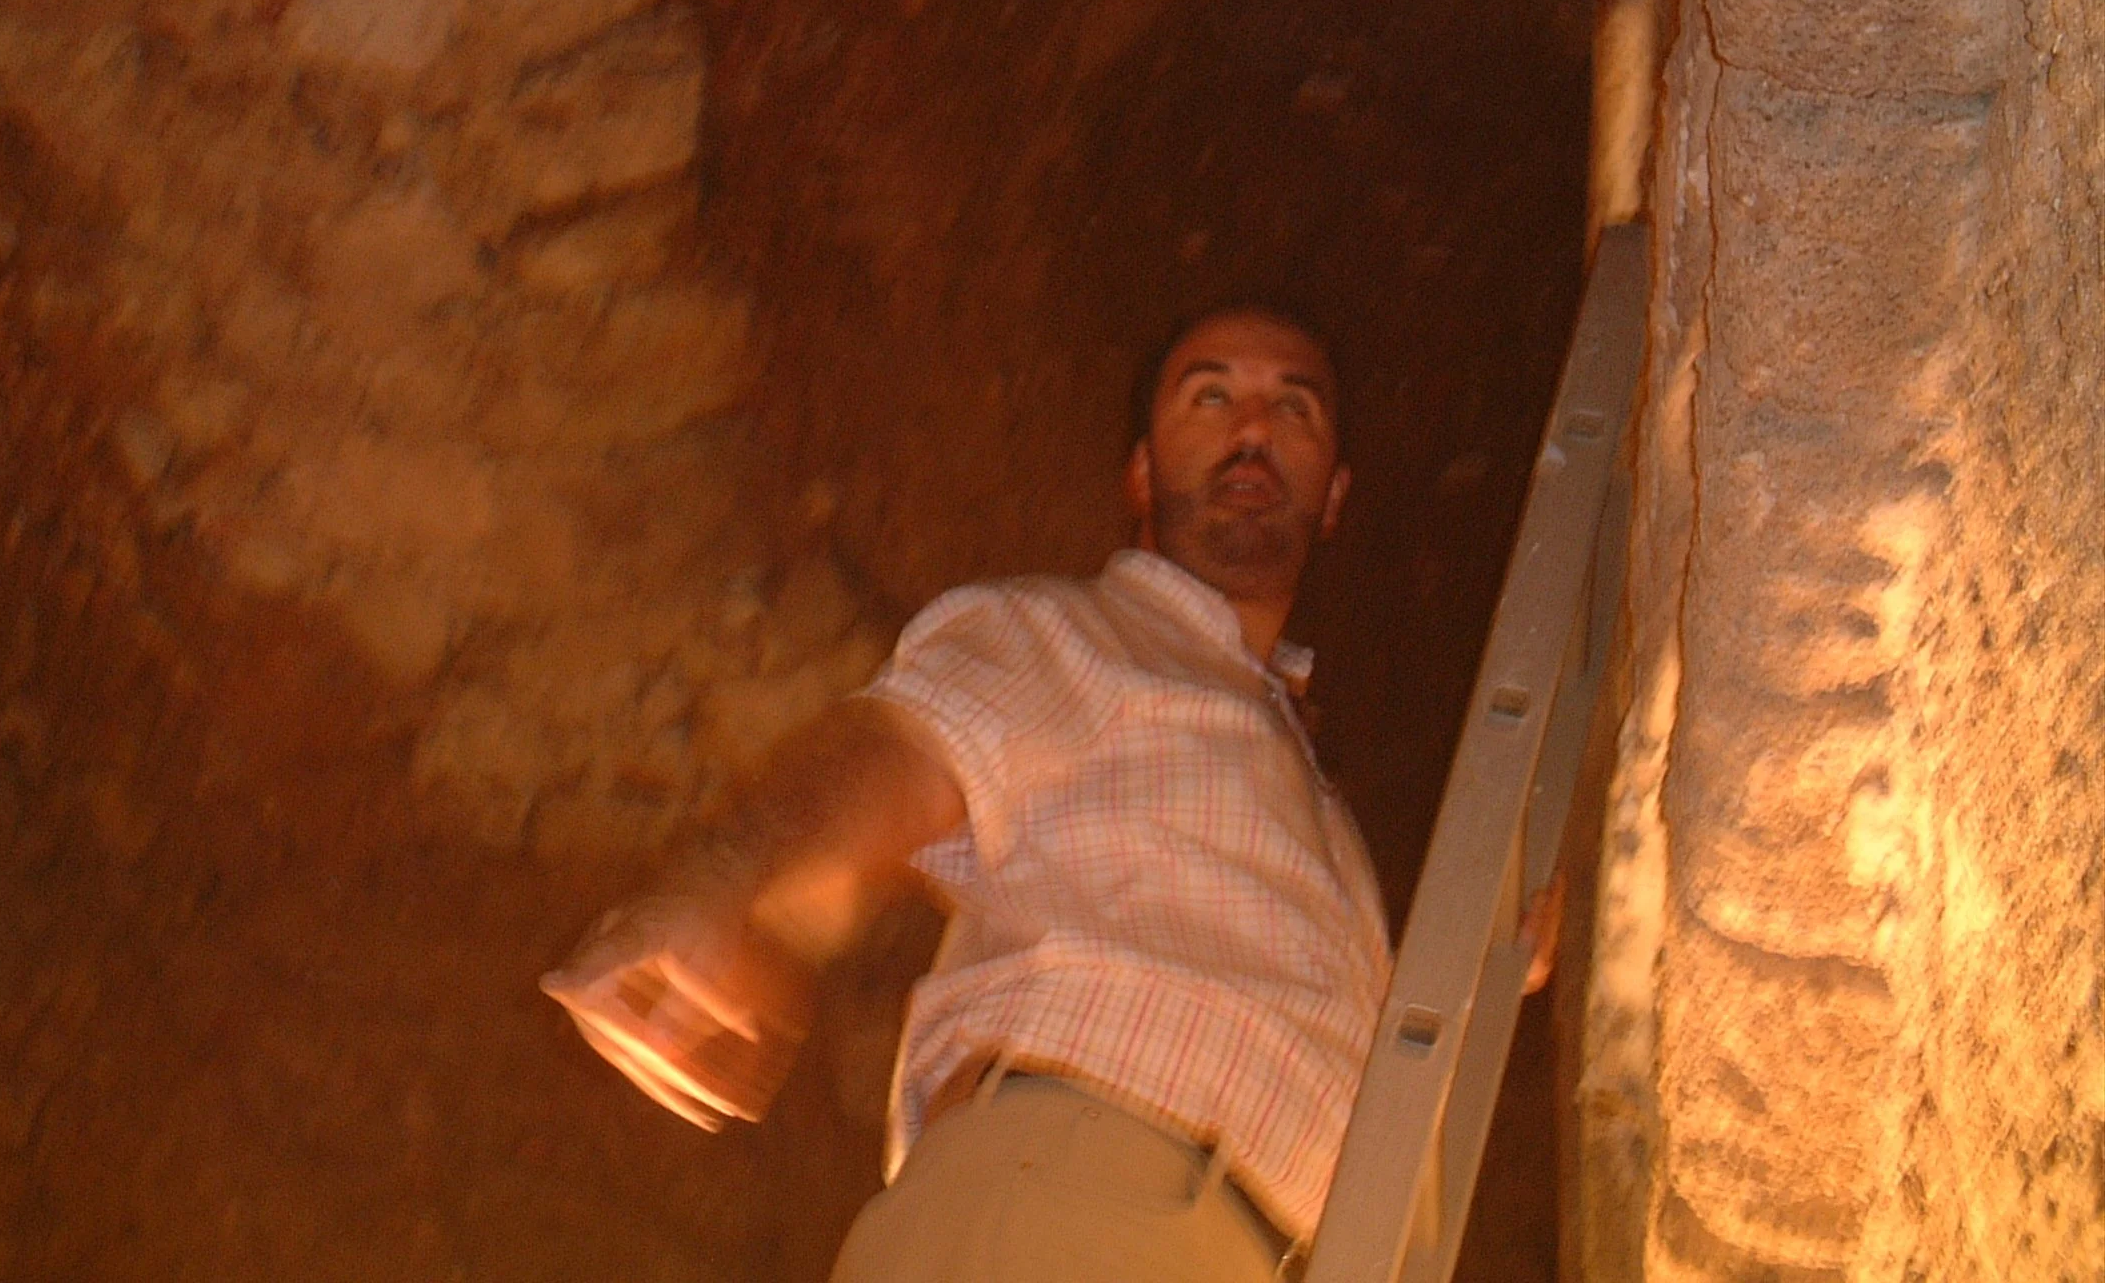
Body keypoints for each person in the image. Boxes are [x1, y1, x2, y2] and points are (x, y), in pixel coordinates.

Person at [543, 305, 1560, 1282]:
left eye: (1294, 406)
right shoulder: (1074, 635)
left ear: (1333, 494)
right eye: (1211, 397)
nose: (1253, 426)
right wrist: (725, 887)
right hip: (1077, 1199)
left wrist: (1492, 960)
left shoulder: (1305, 797)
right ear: (1141, 472)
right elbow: (904, 754)